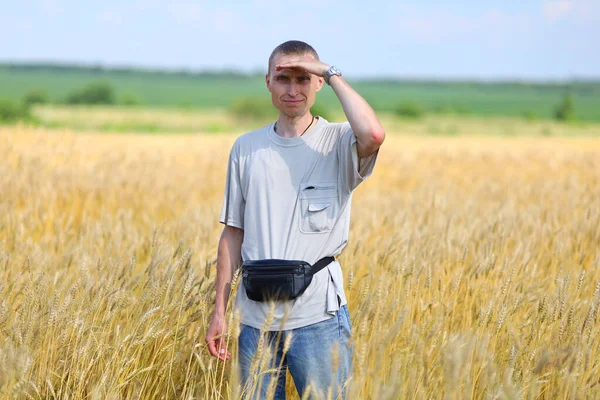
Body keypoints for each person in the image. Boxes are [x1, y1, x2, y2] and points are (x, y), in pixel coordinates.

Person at [205, 40, 385, 399]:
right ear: (268, 82)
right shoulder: (246, 147)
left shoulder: (338, 142)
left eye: (304, 78)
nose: (293, 89)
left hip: (317, 318)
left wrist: (331, 73)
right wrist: (220, 312)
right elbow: (232, 234)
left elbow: (374, 134)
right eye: (283, 78)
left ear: (318, 84)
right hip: (254, 319)